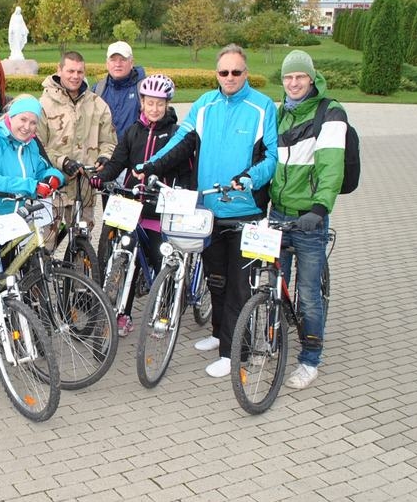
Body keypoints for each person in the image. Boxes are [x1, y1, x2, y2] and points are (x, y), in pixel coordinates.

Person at [144, 44, 278, 378]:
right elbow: (181, 141)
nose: (229, 77)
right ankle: (220, 334)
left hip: (245, 211)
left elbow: (271, 156)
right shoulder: (205, 104)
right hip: (208, 209)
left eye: (236, 72)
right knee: (216, 280)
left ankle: (236, 354)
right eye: (223, 72)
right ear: (216, 74)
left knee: (239, 285)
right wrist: (150, 166)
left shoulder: (261, 107)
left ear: (245, 73)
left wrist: (249, 178)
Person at [272, 50, 346, 390]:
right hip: (278, 212)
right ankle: (271, 340)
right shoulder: (279, 113)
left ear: (311, 78)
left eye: (300, 76)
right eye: (288, 77)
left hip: (309, 218)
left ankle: (310, 359)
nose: (294, 82)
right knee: (273, 283)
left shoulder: (329, 112)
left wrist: (320, 208)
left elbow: (331, 165)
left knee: (307, 292)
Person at [92, 74, 187, 337]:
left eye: (160, 104)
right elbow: (117, 163)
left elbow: (182, 168)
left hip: (158, 210)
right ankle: (123, 314)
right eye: (149, 103)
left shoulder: (175, 134)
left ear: (167, 104)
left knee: (161, 263)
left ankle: (165, 312)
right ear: (142, 103)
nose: (154, 109)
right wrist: (101, 178)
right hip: (132, 208)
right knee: (127, 263)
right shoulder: (133, 132)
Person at [36, 51, 117, 249]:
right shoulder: (44, 104)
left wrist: (105, 157)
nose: (75, 76)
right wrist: (63, 161)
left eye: (80, 71)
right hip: (55, 187)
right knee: (46, 246)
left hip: (85, 188)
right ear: (59, 70)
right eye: (70, 71)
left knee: (81, 244)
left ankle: (79, 278)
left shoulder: (98, 104)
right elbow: (38, 145)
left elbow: (109, 140)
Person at [0, 94, 64, 220]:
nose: (27, 127)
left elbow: (42, 169)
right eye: (23, 119)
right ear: (11, 116)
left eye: (33, 123)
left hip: (19, 221)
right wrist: (32, 186)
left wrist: (54, 177)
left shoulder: (31, 144)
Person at [92, 41, 146, 140]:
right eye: (113, 60)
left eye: (123, 60)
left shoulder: (144, 88)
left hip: (134, 152)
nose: (118, 64)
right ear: (107, 63)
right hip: (105, 152)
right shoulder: (98, 89)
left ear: (131, 63)